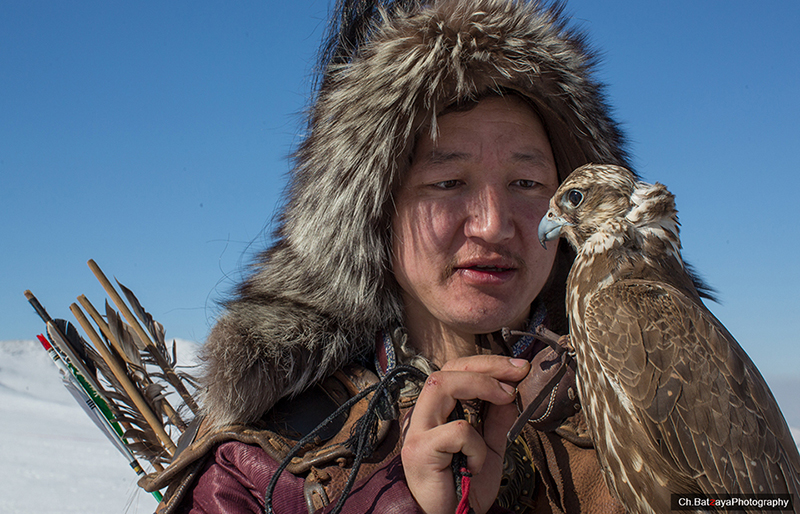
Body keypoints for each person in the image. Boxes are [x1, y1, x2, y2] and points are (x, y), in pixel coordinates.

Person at [140, 0, 634, 512]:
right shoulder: (262, 464)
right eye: (448, 182)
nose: (493, 225)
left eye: (528, 183)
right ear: (376, 211)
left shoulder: (656, 400)